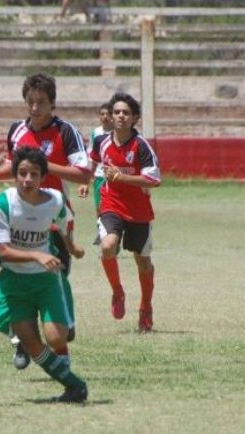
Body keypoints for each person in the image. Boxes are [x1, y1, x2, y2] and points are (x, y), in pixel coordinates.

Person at [0, 73, 91, 370]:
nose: (35, 108)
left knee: (56, 277)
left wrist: (42, 163)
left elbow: (83, 174)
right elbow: (15, 167)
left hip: (55, 218)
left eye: (41, 102)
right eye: (30, 102)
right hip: (20, 219)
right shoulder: (17, 130)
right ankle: (25, 343)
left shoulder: (66, 132)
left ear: (52, 104)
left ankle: (62, 324)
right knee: (20, 277)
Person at [0, 146, 87, 403]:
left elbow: (63, 222)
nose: (27, 179)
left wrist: (71, 246)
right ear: (14, 175)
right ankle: (74, 386)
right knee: (31, 344)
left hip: (45, 280)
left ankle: (70, 382)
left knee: (57, 337)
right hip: (14, 283)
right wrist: (37, 255)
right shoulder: (2, 204)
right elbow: (4, 252)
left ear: (43, 177)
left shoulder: (54, 200)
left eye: (34, 174)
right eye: (22, 173)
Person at [90, 93, 160, 333]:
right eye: (117, 112)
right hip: (111, 205)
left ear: (134, 118)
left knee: (143, 263)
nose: (120, 116)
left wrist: (122, 177)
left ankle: (145, 308)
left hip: (139, 211)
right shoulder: (101, 142)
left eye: (126, 113)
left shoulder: (141, 146)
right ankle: (117, 292)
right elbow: (92, 161)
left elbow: (153, 179)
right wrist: (85, 179)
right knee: (108, 247)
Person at [78, 102, 114, 245]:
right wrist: (86, 179)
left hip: (114, 177)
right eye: (102, 114)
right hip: (99, 175)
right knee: (99, 206)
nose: (105, 117)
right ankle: (102, 232)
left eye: (108, 114)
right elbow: (90, 155)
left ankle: (114, 232)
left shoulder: (119, 133)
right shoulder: (96, 133)